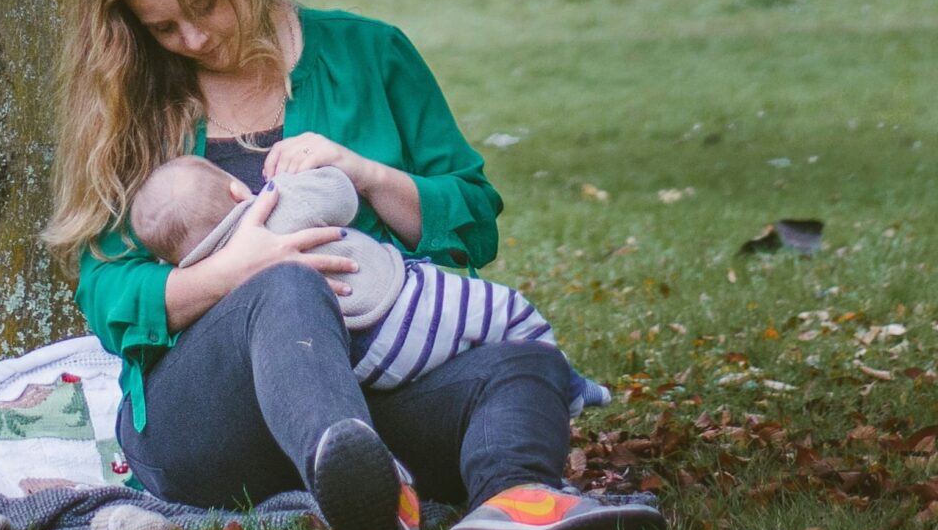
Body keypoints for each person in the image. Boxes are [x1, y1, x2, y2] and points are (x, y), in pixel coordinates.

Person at [45, 0, 666, 530]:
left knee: (524, 363)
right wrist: (237, 272)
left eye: (205, 4)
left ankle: (513, 497)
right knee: (286, 283)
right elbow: (106, 291)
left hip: (381, 398)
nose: (192, 37)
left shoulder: (371, 52)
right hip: (210, 426)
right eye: (164, 26)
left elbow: (473, 221)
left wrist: (365, 173)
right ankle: (359, 483)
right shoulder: (136, 100)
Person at [127, 156, 613, 408]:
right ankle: (566, 386)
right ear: (238, 191)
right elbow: (341, 196)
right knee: (509, 313)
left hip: (362, 365)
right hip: (404, 308)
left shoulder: (201, 277)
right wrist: (302, 177)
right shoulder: (275, 206)